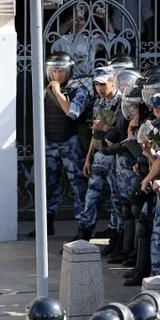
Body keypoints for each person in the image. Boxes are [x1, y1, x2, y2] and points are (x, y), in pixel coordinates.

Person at [35, 52, 91, 238]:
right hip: (50, 142)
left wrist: (58, 92)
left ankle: (83, 229)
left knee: (78, 186)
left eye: (61, 70)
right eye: (54, 70)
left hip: (71, 143)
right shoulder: (44, 89)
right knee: (48, 183)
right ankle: (46, 225)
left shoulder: (78, 90)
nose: (57, 74)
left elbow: (73, 113)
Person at [76, 66, 122, 242]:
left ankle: (117, 235)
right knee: (91, 197)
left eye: (103, 84)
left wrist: (106, 128)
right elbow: (95, 133)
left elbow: (124, 132)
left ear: (112, 82)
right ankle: (84, 233)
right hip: (99, 157)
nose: (100, 88)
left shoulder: (121, 103)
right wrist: (88, 158)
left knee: (116, 200)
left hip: (115, 159)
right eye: (96, 84)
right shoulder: (98, 103)